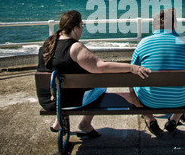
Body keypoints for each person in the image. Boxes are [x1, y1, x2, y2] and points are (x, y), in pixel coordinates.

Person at [37, 10, 150, 138]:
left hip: (47, 101)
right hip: (68, 102)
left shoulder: (47, 45)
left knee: (62, 87)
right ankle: (85, 123)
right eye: (81, 26)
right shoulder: (75, 48)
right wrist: (131, 68)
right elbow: (100, 67)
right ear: (75, 29)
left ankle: (57, 123)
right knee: (101, 86)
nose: (82, 30)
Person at [130, 8, 185, 137]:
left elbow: (133, 68)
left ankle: (149, 118)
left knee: (131, 83)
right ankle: (175, 119)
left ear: (155, 26)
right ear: (174, 25)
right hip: (181, 100)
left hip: (149, 100)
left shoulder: (144, 43)